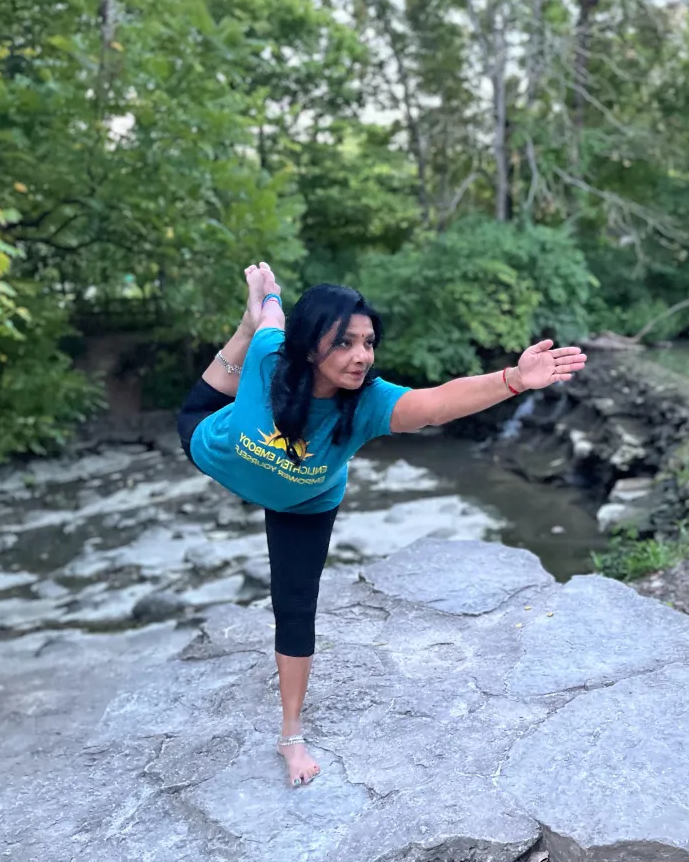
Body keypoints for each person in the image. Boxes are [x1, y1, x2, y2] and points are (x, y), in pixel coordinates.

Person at [176, 263, 588, 788]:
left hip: (303, 501)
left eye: (368, 343)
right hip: (215, 449)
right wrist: (267, 298)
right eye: (344, 342)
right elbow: (276, 321)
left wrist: (513, 379)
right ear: (308, 347)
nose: (361, 355)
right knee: (228, 361)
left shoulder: (366, 403)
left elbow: (434, 405)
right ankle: (243, 315)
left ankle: (291, 734)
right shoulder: (268, 355)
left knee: (295, 604)